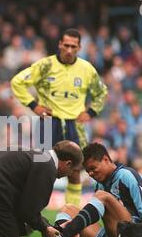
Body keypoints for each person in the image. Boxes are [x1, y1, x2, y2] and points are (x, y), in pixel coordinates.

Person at [11, 28, 107, 206]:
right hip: (48, 123)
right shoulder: (45, 66)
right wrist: (34, 105)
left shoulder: (86, 69)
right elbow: (17, 82)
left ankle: (72, 215)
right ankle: (31, 213)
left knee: (75, 171)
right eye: (66, 45)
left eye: (74, 46)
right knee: (41, 170)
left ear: (79, 47)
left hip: (74, 125)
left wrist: (91, 112)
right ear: (60, 44)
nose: (69, 50)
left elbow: (102, 92)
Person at [53, 142, 142, 237]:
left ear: (106, 160)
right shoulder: (98, 185)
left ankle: (67, 233)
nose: (90, 173)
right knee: (68, 208)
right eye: (88, 171)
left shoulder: (126, 175)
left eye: (93, 168)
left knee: (103, 196)